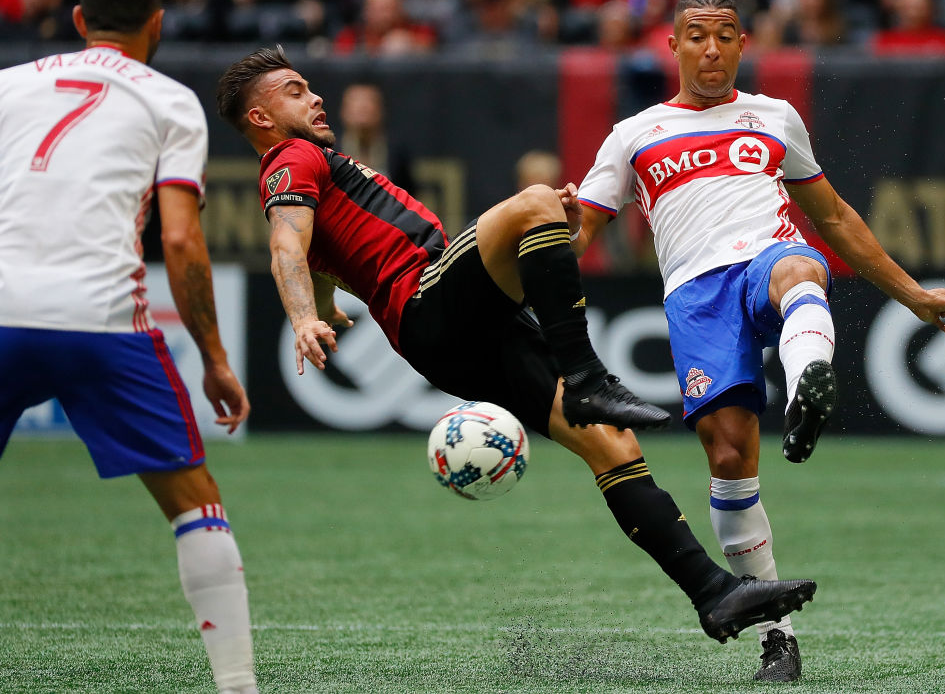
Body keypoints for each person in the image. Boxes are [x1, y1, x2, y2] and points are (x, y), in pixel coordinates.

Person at [215, 45, 819, 652]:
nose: (315, 96)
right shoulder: (289, 159)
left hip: (452, 337)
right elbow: (284, 247)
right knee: (534, 201)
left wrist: (319, 310)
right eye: (294, 90)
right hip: (426, 298)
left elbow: (310, 250)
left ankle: (714, 594)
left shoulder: (307, 165)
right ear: (261, 118)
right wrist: (299, 316)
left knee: (611, 444)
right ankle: (587, 376)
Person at [563, 0, 945, 682]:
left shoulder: (774, 118)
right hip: (696, 298)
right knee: (728, 460)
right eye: (697, 34)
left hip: (765, 256)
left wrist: (911, 295)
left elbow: (836, 218)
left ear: (743, 44)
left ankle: (807, 384)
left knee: (797, 265)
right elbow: (583, 236)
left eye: (726, 34)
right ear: (672, 45)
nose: (712, 47)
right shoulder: (633, 134)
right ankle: (776, 639)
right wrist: (542, 235)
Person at [0, 0, 257, 694]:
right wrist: (212, 354)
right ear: (158, 23)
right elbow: (179, 239)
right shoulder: (171, 103)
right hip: (102, 323)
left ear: (77, 20)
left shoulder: (9, 86)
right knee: (194, 503)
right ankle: (238, 686)